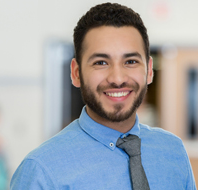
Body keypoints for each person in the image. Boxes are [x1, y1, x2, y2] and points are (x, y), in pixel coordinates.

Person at [10, 3, 196, 190]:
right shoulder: (42, 170)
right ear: (76, 73)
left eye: (130, 61)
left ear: (149, 70)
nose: (117, 79)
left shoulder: (173, 151)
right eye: (101, 62)